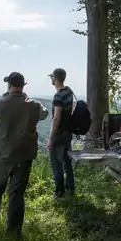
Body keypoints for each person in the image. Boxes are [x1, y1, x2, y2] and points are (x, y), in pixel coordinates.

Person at [0, 72, 49, 239]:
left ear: (8, 85)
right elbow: (44, 114)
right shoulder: (33, 105)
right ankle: (13, 233)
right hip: (23, 156)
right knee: (17, 195)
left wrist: (4, 99)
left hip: (1, 156)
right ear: (23, 85)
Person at [47, 68, 75, 199]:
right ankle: (70, 189)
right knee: (67, 162)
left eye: (52, 77)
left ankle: (59, 192)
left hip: (59, 134)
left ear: (55, 78)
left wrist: (51, 138)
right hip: (68, 132)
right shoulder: (69, 92)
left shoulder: (58, 96)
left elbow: (56, 118)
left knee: (56, 164)